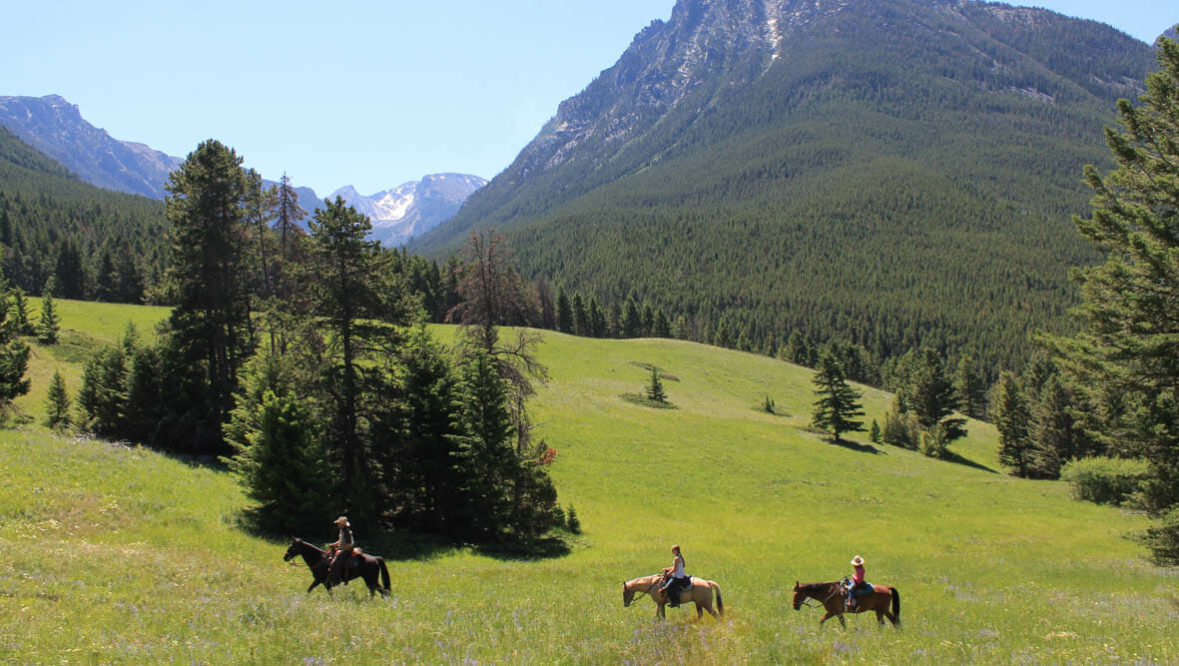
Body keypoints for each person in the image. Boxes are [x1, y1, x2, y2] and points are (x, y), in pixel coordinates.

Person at [327, 515, 355, 586]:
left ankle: (335, 581)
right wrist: (334, 544)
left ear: (342, 524)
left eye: (339, 524)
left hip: (347, 550)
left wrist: (341, 551)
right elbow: (341, 540)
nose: (338, 525)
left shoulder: (347, 532)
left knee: (335, 563)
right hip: (342, 548)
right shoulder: (342, 530)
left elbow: (348, 545)